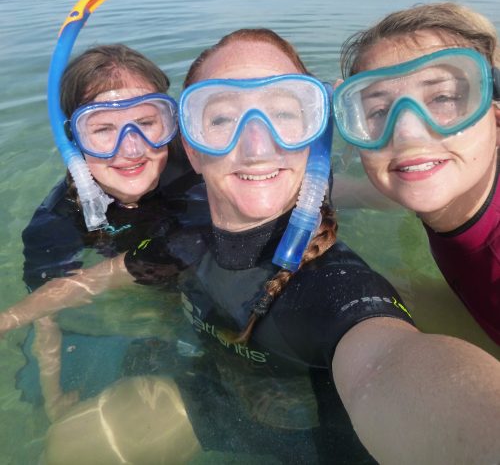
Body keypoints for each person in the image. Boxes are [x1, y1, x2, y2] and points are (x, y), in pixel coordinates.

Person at [2, 28, 500, 464]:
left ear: (315, 134)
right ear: (192, 147)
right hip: (218, 394)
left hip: (327, 438)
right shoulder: (184, 239)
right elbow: (91, 281)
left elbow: (389, 365)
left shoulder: (337, 292)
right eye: (220, 119)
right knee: (74, 443)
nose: (256, 145)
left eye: (285, 114)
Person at [16, 43, 207, 421]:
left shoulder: (197, 164)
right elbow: (46, 314)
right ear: (73, 140)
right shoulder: (57, 222)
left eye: (148, 123)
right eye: (103, 129)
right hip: (146, 281)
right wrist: (54, 398)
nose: (132, 148)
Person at [333, 2, 500, 344]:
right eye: (378, 109)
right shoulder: (446, 182)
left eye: (443, 97)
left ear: (495, 116)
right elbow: (351, 191)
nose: (407, 133)